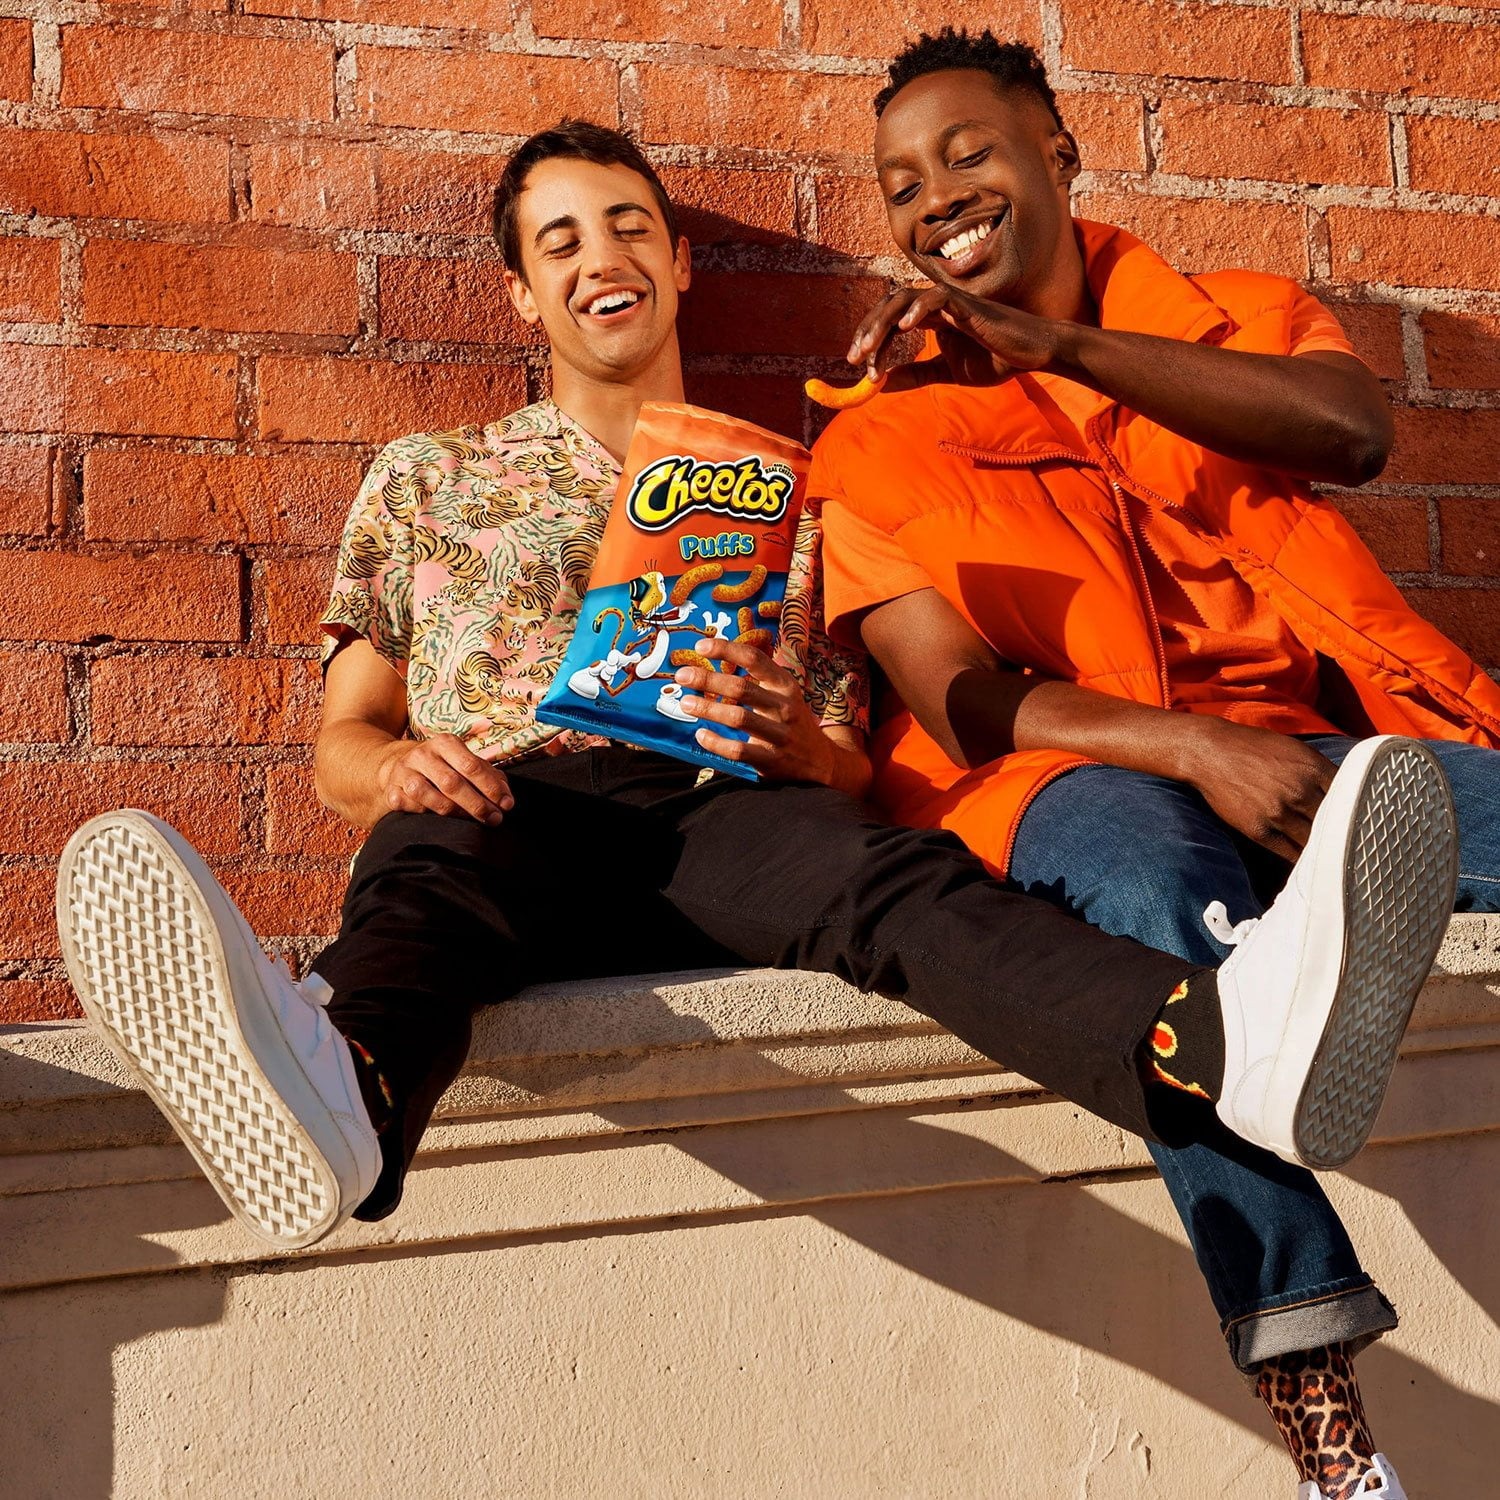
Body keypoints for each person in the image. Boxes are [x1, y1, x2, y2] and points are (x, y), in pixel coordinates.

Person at [55, 122, 1453, 1494]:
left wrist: (799, 742)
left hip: (721, 809)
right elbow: (343, 743)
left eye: (629, 228)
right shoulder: (432, 476)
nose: (601, 258)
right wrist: (396, 771)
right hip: (506, 803)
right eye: (560, 242)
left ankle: (1213, 1036)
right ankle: (345, 1090)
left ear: (678, 266)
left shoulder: (791, 491)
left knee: (891, 883)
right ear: (522, 293)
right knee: (425, 867)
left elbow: (849, 763)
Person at [808, 29, 1499, 1500]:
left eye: (968, 154)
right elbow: (960, 704)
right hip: (1067, 780)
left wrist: (1062, 350)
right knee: (1154, 904)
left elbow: (1350, 432)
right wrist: (1192, 747)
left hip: (1309, 754)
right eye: (901, 185)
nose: (935, 198)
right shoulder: (879, 441)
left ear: (1057, 155)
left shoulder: (1233, 316)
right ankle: (1330, 1437)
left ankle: (1278, 987)